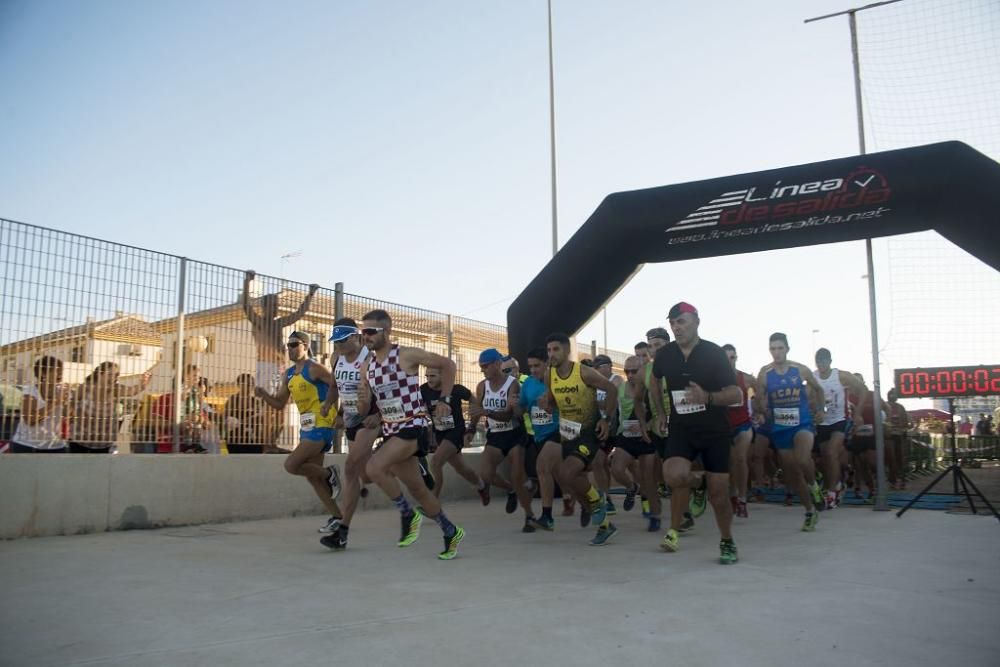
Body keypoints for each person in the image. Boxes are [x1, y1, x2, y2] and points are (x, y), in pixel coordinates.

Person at [356, 309, 465, 560]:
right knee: (418, 489)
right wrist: (363, 403)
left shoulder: (406, 355)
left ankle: (407, 514)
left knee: (373, 468)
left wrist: (445, 399)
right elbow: (364, 409)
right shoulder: (367, 367)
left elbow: (448, 364)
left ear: (387, 331)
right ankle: (451, 531)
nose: (366, 336)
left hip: (413, 426)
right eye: (363, 332)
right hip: (391, 429)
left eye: (371, 331)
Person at [649, 303, 740, 564]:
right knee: (673, 475)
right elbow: (654, 380)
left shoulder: (713, 353)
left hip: (715, 430)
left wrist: (707, 396)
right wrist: (660, 413)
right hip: (682, 427)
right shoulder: (665, 355)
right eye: (673, 323)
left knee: (719, 495)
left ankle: (726, 540)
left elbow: (735, 394)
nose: (677, 327)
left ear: (696, 321)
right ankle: (698, 484)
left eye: (682, 321)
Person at [255, 331, 344, 538]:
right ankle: (337, 518)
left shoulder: (315, 368)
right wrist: (265, 394)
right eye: (288, 345)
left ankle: (330, 474)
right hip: (307, 428)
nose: (290, 349)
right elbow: (279, 404)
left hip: (322, 424)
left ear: (305, 346)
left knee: (291, 465)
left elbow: (339, 386)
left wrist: (337, 411)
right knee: (313, 478)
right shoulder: (289, 374)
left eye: (294, 345)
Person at [540, 332, 619, 545]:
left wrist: (607, 419)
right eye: (548, 350)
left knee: (568, 472)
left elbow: (612, 389)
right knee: (569, 480)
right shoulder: (549, 375)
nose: (551, 354)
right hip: (567, 431)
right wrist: (548, 405)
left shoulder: (583, 372)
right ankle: (605, 526)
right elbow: (554, 403)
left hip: (588, 431)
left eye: (556, 349)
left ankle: (597, 500)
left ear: (566, 350)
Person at [317, 319, 381, 549]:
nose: (339, 346)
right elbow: (336, 387)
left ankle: (341, 531)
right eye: (336, 342)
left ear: (356, 337)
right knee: (366, 472)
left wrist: (381, 416)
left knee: (350, 469)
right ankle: (393, 461)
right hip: (353, 418)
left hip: (372, 416)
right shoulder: (336, 358)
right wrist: (329, 405)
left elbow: (386, 388)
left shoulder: (369, 358)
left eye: (343, 341)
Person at [754, 333, 826, 531]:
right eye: (773, 349)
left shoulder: (799, 369)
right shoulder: (764, 373)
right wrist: (761, 411)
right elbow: (759, 399)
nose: (776, 352)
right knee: (793, 475)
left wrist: (821, 410)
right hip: (780, 428)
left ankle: (815, 488)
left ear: (787, 349)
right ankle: (810, 511)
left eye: (780, 348)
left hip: (802, 423)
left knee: (803, 459)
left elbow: (818, 390)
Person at [242, 270, 319, 451]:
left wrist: (310, 294)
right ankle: (267, 444)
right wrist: (247, 282)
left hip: (280, 367)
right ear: (264, 306)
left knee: (281, 407)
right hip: (266, 366)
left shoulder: (278, 323)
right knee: (269, 407)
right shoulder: (258, 321)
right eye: (273, 305)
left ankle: (272, 443)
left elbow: (298, 314)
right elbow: (246, 305)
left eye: (277, 305)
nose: (276, 308)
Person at [470, 348, 538, 532]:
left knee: (517, 476)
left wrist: (487, 412)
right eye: (481, 367)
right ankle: (511, 490)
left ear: (497, 364)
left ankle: (529, 516)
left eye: (485, 366)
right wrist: (470, 429)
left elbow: (509, 416)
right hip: (495, 436)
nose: (482, 370)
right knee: (485, 476)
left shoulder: (512, 384)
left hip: (514, 434)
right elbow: (476, 410)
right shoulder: (482, 386)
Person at [420, 365, 488, 502]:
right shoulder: (423, 390)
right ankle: (481, 485)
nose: (429, 379)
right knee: (461, 468)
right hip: (440, 433)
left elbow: (474, 401)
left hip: (456, 432)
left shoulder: (456, 390)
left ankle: (432, 501)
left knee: (435, 462)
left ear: (443, 376)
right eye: (427, 376)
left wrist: (472, 424)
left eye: (432, 376)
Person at [609, 355, 662, 531]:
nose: (630, 375)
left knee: (649, 480)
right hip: (626, 434)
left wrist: (648, 426)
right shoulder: (621, 387)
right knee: (616, 469)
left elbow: (658, 412)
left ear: (643, 370)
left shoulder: (650, 387)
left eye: (634, 371)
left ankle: (655, 516)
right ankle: (632, 487)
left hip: (646, 436)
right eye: (626, 371)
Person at [813, 348, 868, 508]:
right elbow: (808, 396)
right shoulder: (813, 378)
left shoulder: (841, 376)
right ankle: (838, 483)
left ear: (830, 361)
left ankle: (832, 493)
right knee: (826, 458)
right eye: (818, 361)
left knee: (831, 452)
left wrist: (857, 412)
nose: (821, 364)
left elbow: (863, 390)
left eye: (824, 361)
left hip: (840, 420)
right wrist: (815, 410)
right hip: (823, 423)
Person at [519, 347, 562, 530]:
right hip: (539, 436)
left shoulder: (557, 380)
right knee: (566, 477)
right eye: (531, 367)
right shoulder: (528, 384)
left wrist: (551, 405)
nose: (534, 370)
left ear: (547, 364)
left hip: (561, 431)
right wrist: (512, 406)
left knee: (542, 467)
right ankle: (591, 504)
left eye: (537, 365)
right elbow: (521, 408)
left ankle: (547, 516)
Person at [70, 361, 152, 453]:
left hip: (103, 442)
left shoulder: (115, 389)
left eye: (117, 375)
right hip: (81, 439)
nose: (114, 378)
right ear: (100, 374)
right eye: (110, 374)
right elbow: (72, 402)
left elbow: (133, 391)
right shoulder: (86, 387)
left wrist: (143, 382)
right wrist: (72, 414)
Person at [721, 344, 756, 518]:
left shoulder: (746, 378)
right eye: (725, 358)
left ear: (736, 358)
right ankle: (733, 494)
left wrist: (761, 410)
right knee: (729, 463)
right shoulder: (715, 379)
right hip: (724, 426)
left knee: (740, 459)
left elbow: (760, 391)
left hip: (743, 425)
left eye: (732, 358)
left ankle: (742, 499)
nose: (729, 362)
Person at [10, 356, 69, 453]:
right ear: (43, 373)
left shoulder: (62, 391)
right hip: (28, 446)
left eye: (61, 370)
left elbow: (69, 417)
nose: (60, 373)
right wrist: (56, 402)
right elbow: (30, 420)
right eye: (56, 370)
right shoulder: (30, 391)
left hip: (56, 447)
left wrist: (68, 403)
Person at [151, 363, 209, 453]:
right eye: (194, 376)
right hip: (168, 448)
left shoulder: (195, 398)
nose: (196, 379)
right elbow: (155, 423)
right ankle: (188, 446)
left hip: (193, 452)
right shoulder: (165, 399)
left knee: (194, 427)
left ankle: (194, 445)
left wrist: (200, 419)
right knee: (187, 426)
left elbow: (207, 424)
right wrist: (178, 425)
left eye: (198, 377)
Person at [592, 353, 623, 517]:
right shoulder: (594, 382)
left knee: (623, 465)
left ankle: (636, 489)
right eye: (595, 368)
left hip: (614, 428)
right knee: (599, 462)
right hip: (598, 428)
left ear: (608, 366)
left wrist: (596, 403)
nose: (597, 370)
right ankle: (606, 498)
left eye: (600, 367)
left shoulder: (616, 380)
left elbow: (615, 401)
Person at [223, 373, 266, 453]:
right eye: (247, 384)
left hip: (254, 439)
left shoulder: (256, 401)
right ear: (239, 385)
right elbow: (226, 419)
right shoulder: (232, 400)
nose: (250, 387)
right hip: (236, 439)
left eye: (252, 384)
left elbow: (262, 418)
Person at [885, 388, 912, 490]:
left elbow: (906, 422)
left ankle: (901, 480)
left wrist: (902, 427)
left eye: (895, 394)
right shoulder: (884, 405)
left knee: (900, 459)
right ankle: (893, 480)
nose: (893, 397)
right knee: (891, 459)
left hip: (900, 436)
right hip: (888, 436)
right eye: (892, 394)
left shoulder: (900, 407)